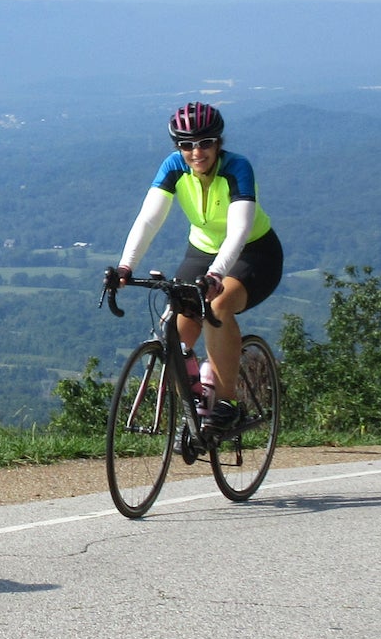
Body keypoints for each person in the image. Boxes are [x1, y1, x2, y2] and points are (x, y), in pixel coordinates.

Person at [104, 101, 284, 440]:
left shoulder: (237, 167)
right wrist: (127, 265)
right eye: (186, 145)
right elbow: (149, 219)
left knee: (217, 307)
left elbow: (239, 231)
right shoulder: (174, 167)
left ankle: (228, 402)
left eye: (205, 143)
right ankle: (196, 399)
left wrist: (216, 275)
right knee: (173, 329)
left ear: (218, 143)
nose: (196, 151)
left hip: (254, 254)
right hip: (201, 251)